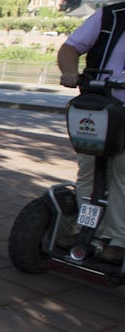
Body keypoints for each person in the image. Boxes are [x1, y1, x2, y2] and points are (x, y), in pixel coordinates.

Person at [56, 2, 125, 264]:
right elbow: (70, 48)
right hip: (99, 107)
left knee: (122, 174)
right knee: (90, 172)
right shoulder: (111, 16)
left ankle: (118, 240)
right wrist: (70, 71)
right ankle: (87, 231)